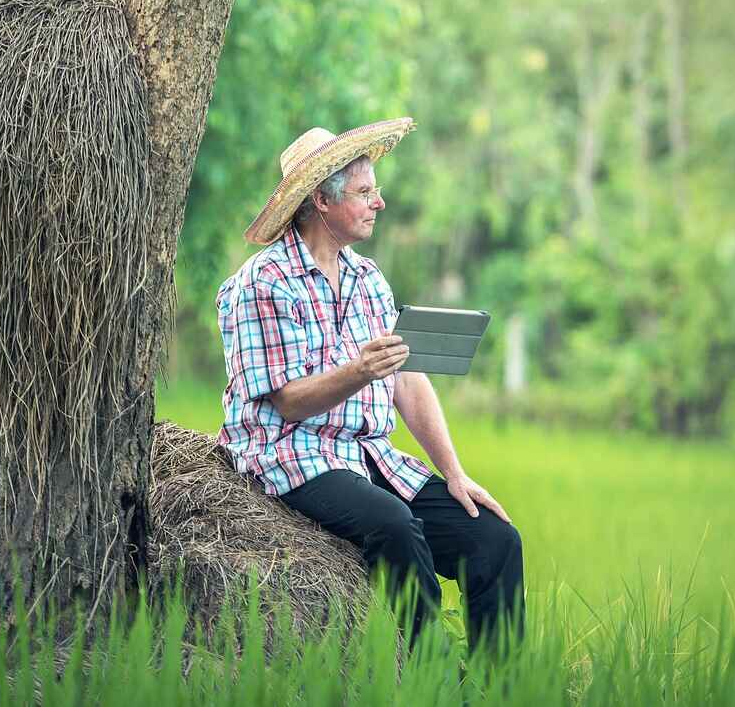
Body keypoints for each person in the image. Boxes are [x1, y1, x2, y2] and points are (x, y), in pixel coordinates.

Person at [214, 117, 524, 654]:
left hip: (368, 455)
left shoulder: (368, 279)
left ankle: (503, 687)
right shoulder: (261, 284)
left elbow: (407, 377)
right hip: (291, 455)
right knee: (394, 525)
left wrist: (454, 473)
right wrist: (358, 371)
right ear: (321, 202)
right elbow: (287, 402)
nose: (379, 203)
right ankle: (434, 679)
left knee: (494, 538)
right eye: (364, 192)